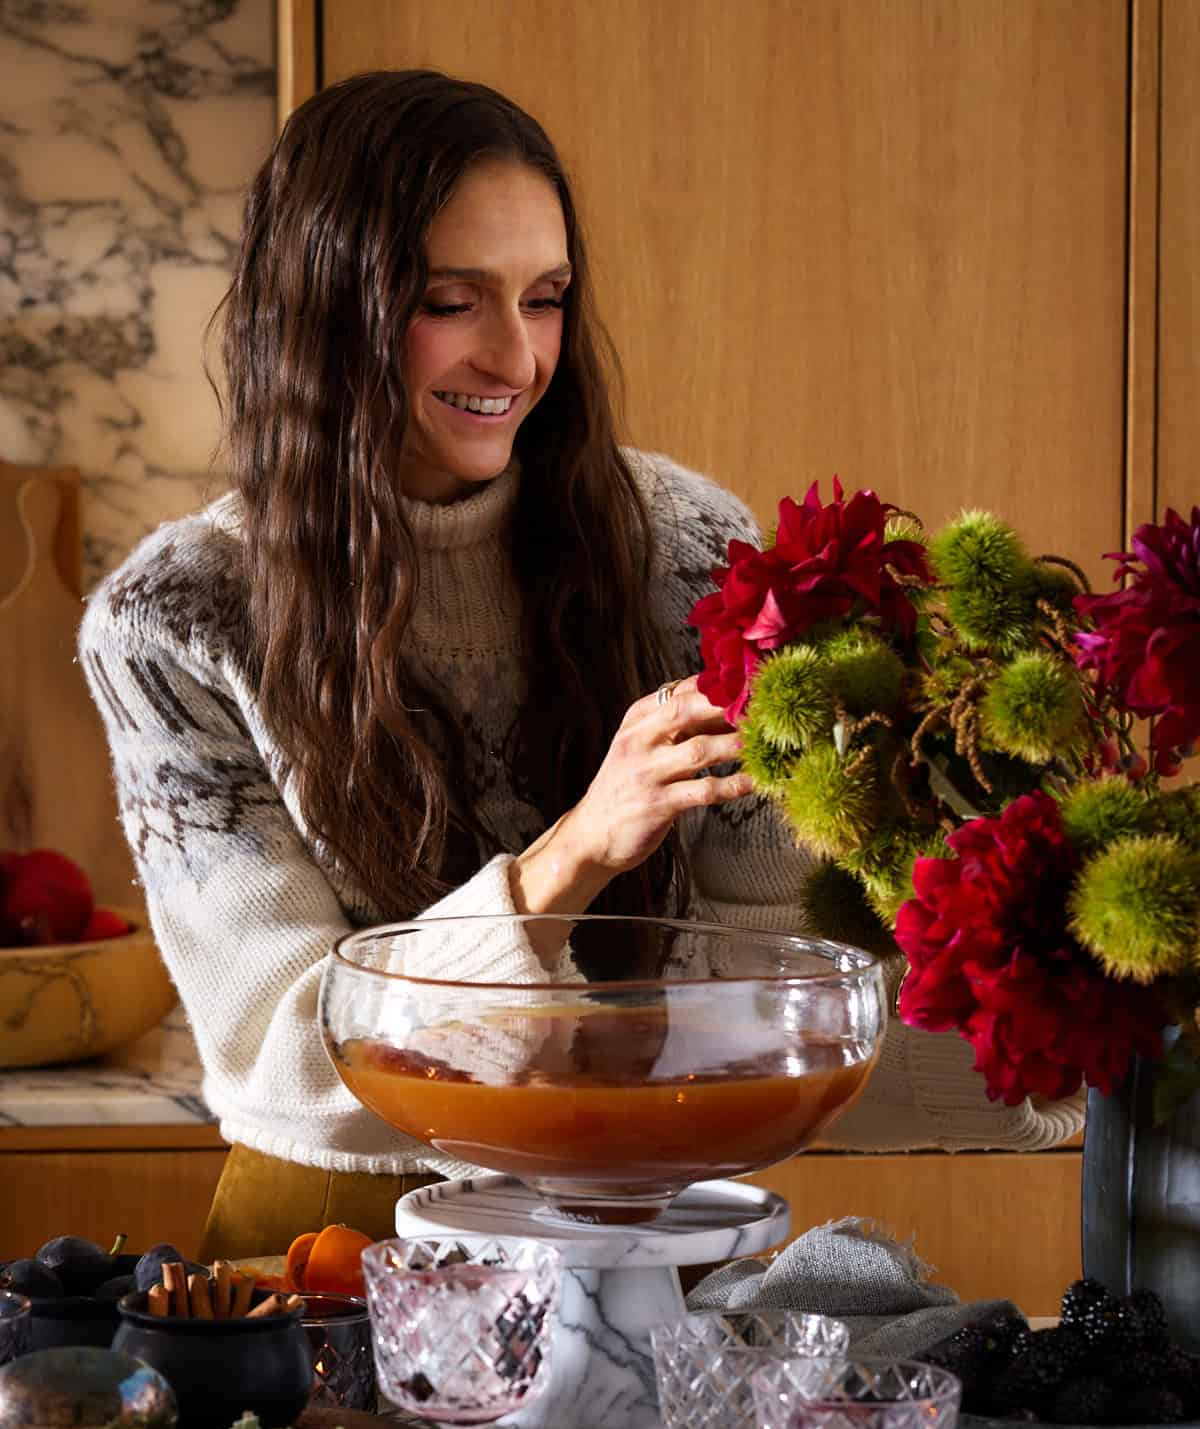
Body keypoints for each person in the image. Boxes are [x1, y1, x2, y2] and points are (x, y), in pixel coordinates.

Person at [79, 71, 1085, 1260]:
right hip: (341, 1247)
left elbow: (765, 983)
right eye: (453, 300)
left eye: (546, 298)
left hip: (660, 1227)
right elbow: (289, 1051)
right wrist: (575, 851)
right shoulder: (171, 623)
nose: (515, 355)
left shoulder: (691, 546)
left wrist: (1066, 993)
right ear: (325, 309)